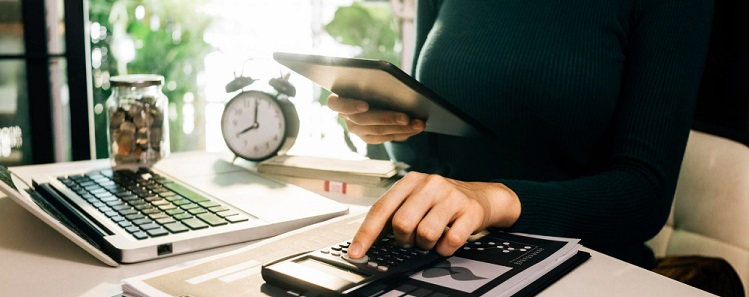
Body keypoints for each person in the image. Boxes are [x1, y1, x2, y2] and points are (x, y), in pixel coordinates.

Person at [326, 0, 715, 270]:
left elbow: (645, 194)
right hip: (441, 252)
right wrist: (391, 125)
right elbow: (430, 153)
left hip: (584, 266)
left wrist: (492, 199)